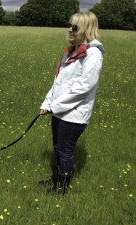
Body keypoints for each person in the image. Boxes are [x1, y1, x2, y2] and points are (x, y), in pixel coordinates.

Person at [39, 12, 104, 194]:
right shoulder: (70, 52)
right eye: (69, 25)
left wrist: (54, 106)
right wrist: (47, 104)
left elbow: (83, 87)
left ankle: (62, 188)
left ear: (85, 29)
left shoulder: (93, 54)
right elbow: (58, 82)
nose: (69, 29)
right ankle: (55, 179)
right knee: (57, 148)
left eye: (74, 27)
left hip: (74, 114)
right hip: (59, 110)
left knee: (65, 152)